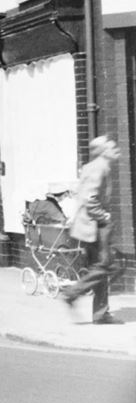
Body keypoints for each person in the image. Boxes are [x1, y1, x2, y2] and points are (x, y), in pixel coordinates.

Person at [62, 136, 123, 324]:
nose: (116, 150)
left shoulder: (94, 166)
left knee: (100, 267)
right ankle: (72, 294)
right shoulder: (100, 167)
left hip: (87, 225)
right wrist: (103, 216)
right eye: (112, 147)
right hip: (95, 226)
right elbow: (90, 198)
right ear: (104, 151)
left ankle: (100, 313)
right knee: (108, 266)